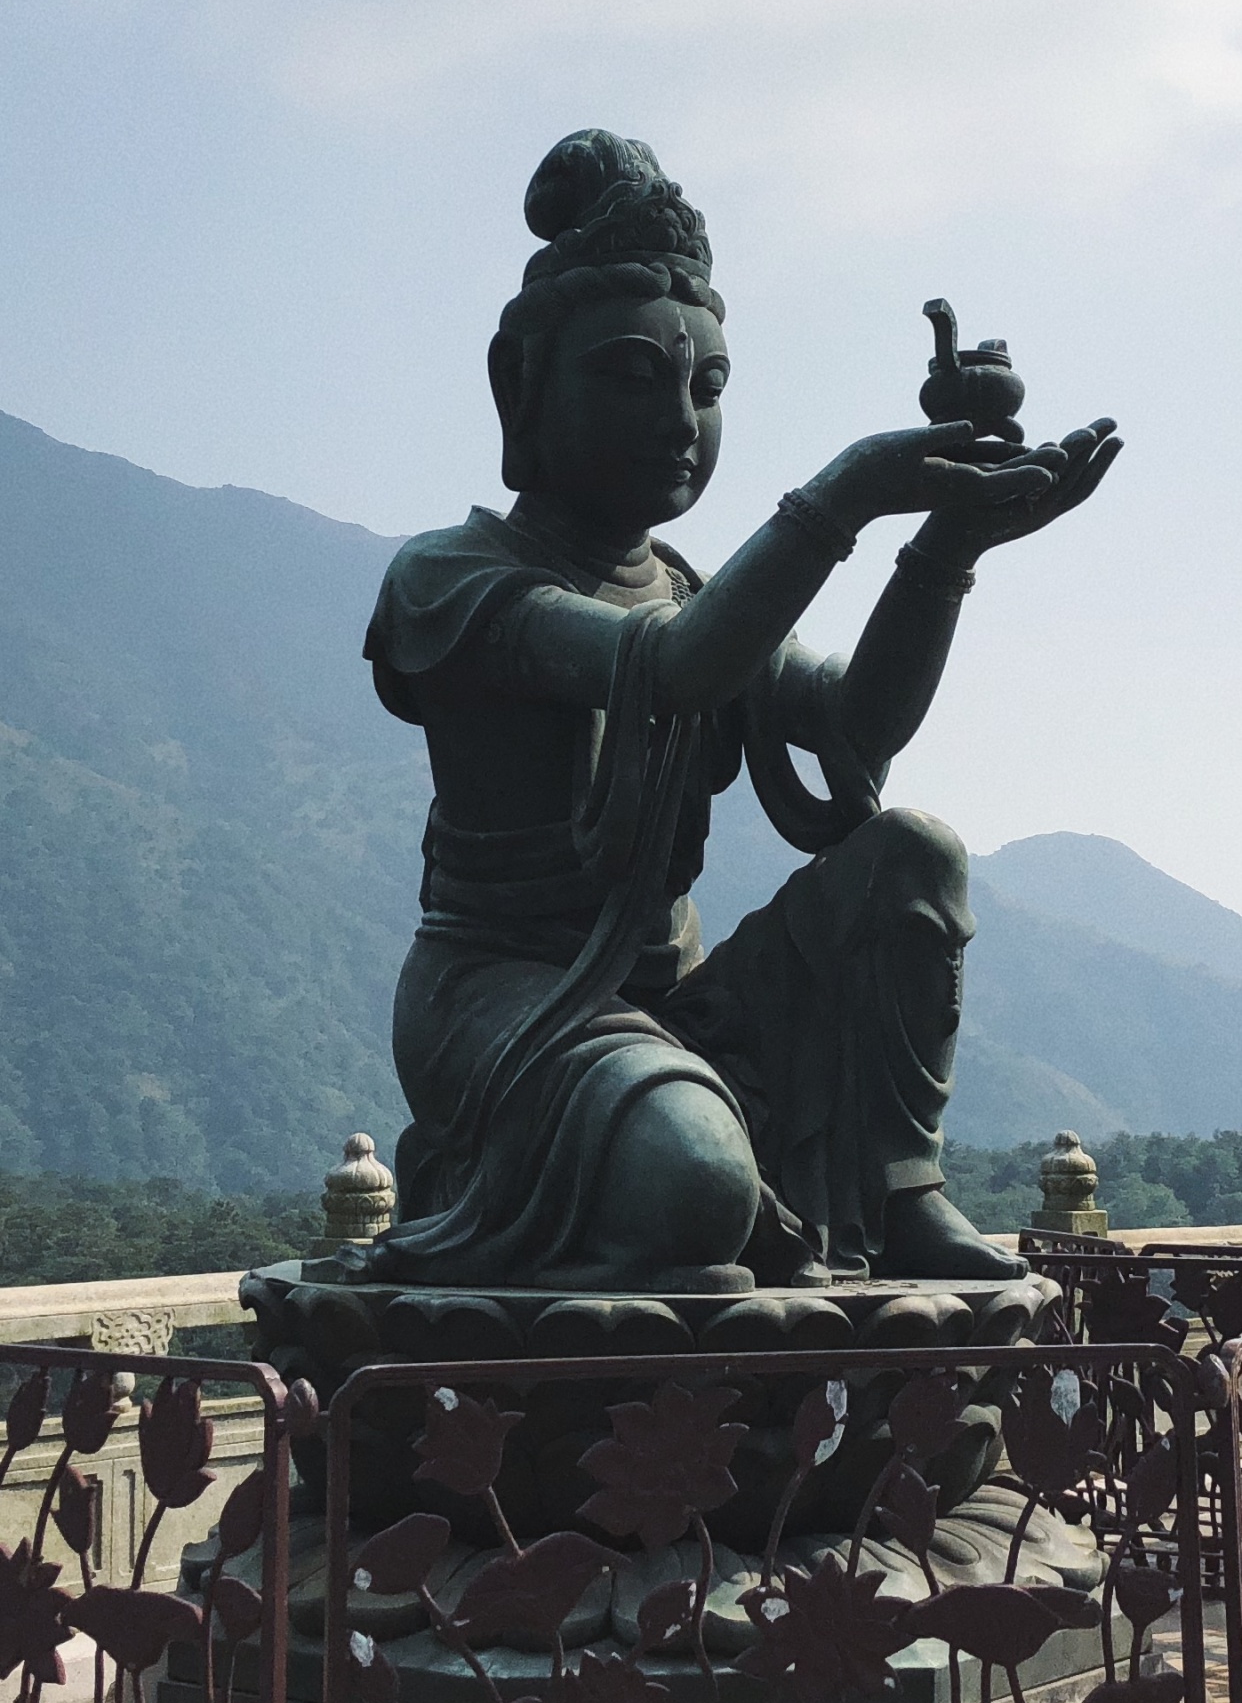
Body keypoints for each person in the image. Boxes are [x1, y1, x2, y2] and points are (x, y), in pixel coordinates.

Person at [363, 132, 1120, 1290]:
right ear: (523, 385)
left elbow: (858, 726)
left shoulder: (694, 588)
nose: (680, 417)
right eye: (631, 376)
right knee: (696, 1186)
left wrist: (946, 547)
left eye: (706, 386)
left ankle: (900, 1186)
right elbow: (670, 669)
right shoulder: (455, 580)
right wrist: (845, 494)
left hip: (679, 1009)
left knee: (913, 853)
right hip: (508, 1004)